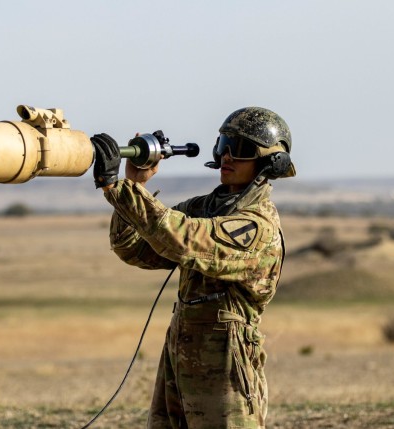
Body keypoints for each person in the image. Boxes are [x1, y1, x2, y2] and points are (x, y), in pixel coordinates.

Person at [90, 107, 296, 429]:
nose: (226, 156)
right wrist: (134, 183)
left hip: (226, 358)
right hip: (181, 350)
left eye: (240, 149)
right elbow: (134, 248)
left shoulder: (256, 227)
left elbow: (184, 239)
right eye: (223, 144)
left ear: (269, 163)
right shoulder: (205, 209)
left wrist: (118, 189)